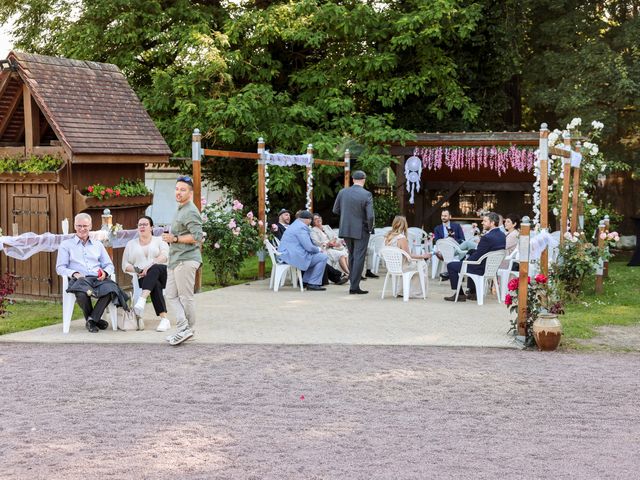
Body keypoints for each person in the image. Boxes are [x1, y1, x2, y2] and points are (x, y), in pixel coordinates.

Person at [56, 212, 122, 333]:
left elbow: (109, 265)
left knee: (111, 289)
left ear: (90, 226)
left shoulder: (98, 245)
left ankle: (91, 320)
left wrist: (105, 273)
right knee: (81, 293)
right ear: (75, 226)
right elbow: (60, 267)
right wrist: (74, 273)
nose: (82, 229)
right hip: (79, 280)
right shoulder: (66, 245)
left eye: (85, 226)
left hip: (97, 279)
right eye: (79, 226)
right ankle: (94, 320)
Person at [161, 175, 203, 346]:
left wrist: (175, 239)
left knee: (186, 297)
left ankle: (188, 329)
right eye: (177, 189)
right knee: (170, 295)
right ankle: (184, 327)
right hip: (175, 259)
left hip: (186, 259)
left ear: (190, 193)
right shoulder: (180, 209)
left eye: (183, 189)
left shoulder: (191, 211)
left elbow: (197, 237)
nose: (178, 192)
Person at [122, 215, 170, 332]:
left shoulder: (160, 240)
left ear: (151, 227)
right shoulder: (131, 244)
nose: (142, 227)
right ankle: (164, 319)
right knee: (155, 285)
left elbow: (164, 256)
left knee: (155, 268)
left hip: (163, 274)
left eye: (145, 224)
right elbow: (125, 265)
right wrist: (139, 271)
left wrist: (149, 266)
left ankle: (142, 298)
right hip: (143, 277)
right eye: (140, 225)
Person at [444, 212, 506, 302]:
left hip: (480, 268)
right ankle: (473, 293)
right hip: (491, 267)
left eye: (485, 221)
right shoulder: (502, 235)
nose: (482, 223)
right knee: (471, 256)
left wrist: (466, 259)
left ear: (492, 223)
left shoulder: (487, 237)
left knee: (451, 265)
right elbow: (484, 252)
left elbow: (477, 257)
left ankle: (460, 294)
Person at [332, 170, 375, 295]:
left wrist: (347, 218)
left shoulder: (342, 192)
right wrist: (370, 227)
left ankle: (353, 283)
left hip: (345, 229)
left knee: (351, 255)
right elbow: (370, 216)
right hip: (361, 229)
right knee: (359, 257)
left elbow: (335, 210)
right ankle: (354, 286)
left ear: (353, 179)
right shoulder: (366, 194)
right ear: (364, 179)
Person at [278, 210, 328, 291]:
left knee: (314, 257)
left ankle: (306, 281)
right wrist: (318, 249)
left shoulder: (295, 225)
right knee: (322, 257)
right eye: (311, 220)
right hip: (291, 256)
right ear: (307, 220)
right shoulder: (301, 228)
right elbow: (309, 247)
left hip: (287, 254)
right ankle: (313, 283)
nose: (311, 222)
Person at [384, 216, 432, 298]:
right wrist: (423, 256)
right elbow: (409, 255)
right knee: (423, 264)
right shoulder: (401, 238)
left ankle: (401, 290)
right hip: (403, 267)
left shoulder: (387, 237)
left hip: (392, 267)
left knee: (417, 264)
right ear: (404, 225)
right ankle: (416, 292)